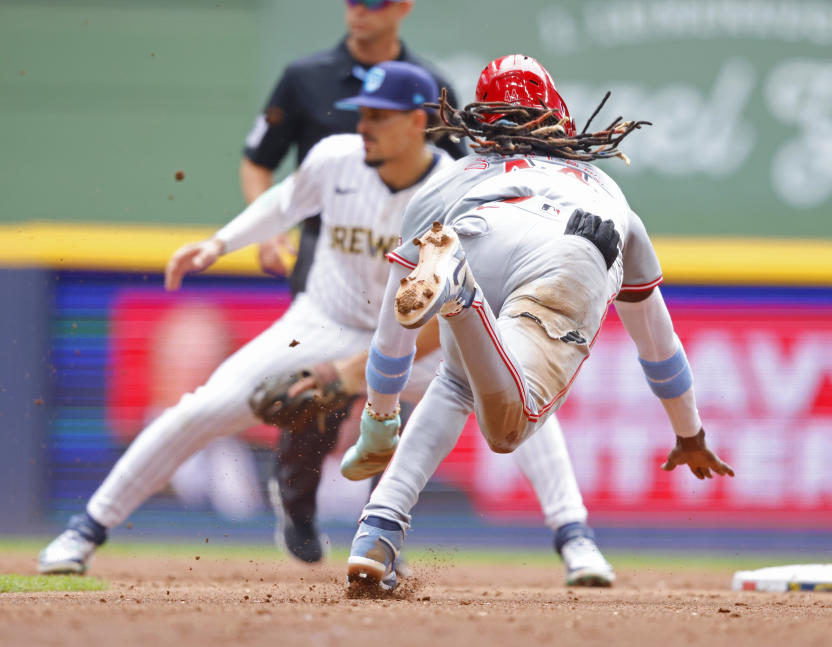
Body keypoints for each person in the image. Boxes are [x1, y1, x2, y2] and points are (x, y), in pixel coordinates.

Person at [37, 61, 616, 587]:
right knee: (203, 407)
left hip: (419, 338)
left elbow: (460, 306)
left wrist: (355, 373)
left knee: (520, 400)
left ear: (417, 122)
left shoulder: (460, 187)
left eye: (377, 116)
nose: (362, 125)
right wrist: (218, 244)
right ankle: (85, 529)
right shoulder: (335, 158)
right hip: (323, 320)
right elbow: (282, 204)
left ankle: (575, 540)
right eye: (360, 113)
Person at [342, 54, 736, 593]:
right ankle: (460, 294)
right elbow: (658, 346)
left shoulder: (448, 179)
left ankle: (378, 531)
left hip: (474, 232)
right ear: (557, 116)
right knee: (508, 427)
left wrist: (380, 420)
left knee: (460, 380)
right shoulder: (603, 187)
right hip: (569, 246)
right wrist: (689, 433)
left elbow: (394, 334)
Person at [241, 0, 466, 561]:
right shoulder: (305, 77)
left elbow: (462, 180)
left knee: (388, 406)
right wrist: (268, 229)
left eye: (376, 0)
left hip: (401, 253)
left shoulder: (432, 86)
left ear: (403, 8)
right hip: (329, 255)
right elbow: (258, 160)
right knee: (315, 398)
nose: (361, 9)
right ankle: (296, 503)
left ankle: (379, 528)